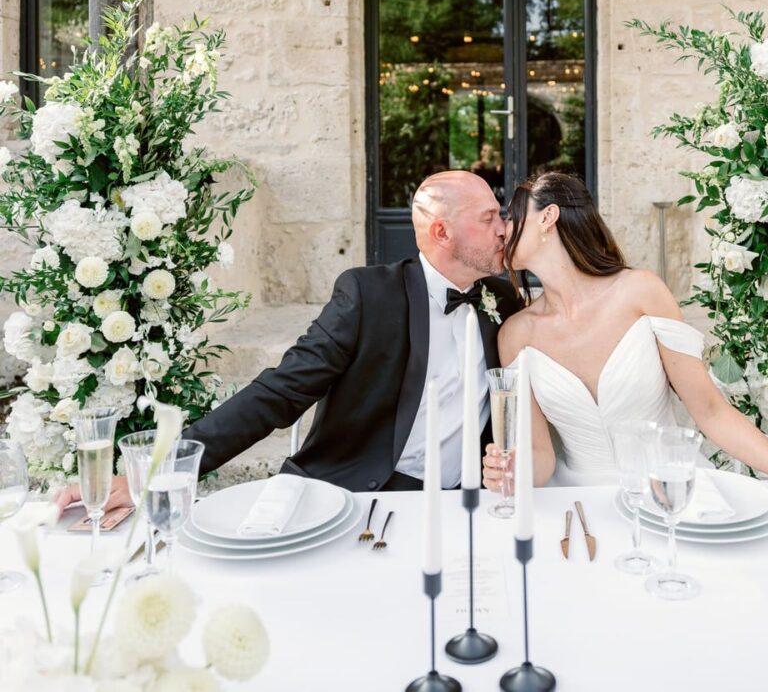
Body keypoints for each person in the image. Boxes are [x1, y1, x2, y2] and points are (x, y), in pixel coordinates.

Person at [55, 170, 520, 514]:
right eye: (489, 218)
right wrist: (158, 471)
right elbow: (279, 391)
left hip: (467, 505)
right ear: (442, 232)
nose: (504, 228)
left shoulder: (501, 299)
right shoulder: (369, 295)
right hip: (360, 495)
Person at [481, 172, 768, 525]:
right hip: (579, 512)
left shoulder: (641, 292)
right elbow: (541, 456)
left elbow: (709, 411)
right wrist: (515, 471)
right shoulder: (516, 335)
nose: (502, 230)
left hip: (673, 499)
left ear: (548, 217)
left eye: (511, 217)